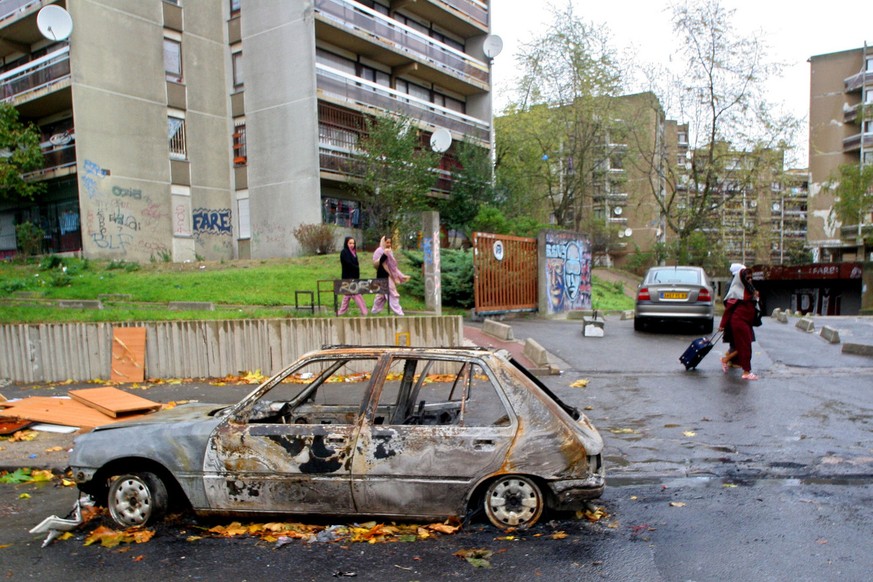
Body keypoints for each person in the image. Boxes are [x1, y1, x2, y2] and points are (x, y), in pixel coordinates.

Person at [719, 263, 759, 380]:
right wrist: (722, 325)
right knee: (745, 346)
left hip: (746, 322)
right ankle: (746, 372)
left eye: (751, 278)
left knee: (744, 346)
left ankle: (727, 360)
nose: (750, 280)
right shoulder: (736, 291)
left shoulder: (749, 290)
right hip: (739, 322)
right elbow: (728, 310)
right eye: (747, 278)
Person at [371, 236, 410, 316]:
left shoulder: (389, 251)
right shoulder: (379, 251)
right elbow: (377, 264)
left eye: (390, 242)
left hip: (387, 276)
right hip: (382, 276)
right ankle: (399, 312)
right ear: (383, 242)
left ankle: (374, 311)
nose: (388, 244)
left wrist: (401, 276)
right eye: (387, 242)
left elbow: (393, 267)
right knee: (389, 294)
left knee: (382, 296)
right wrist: (385, 254)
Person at [336, 236, 368, 316]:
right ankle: (364, 312)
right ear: (346, 243)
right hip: (348, 278)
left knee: (347, 296)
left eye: (353, 243)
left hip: (354, 278)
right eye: (350, 243)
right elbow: (348, 264)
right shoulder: (344, 252)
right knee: (356, 294)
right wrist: (356, 268)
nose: (352, 245)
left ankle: (341, 313)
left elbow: (357, 265)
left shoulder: (354, 253)